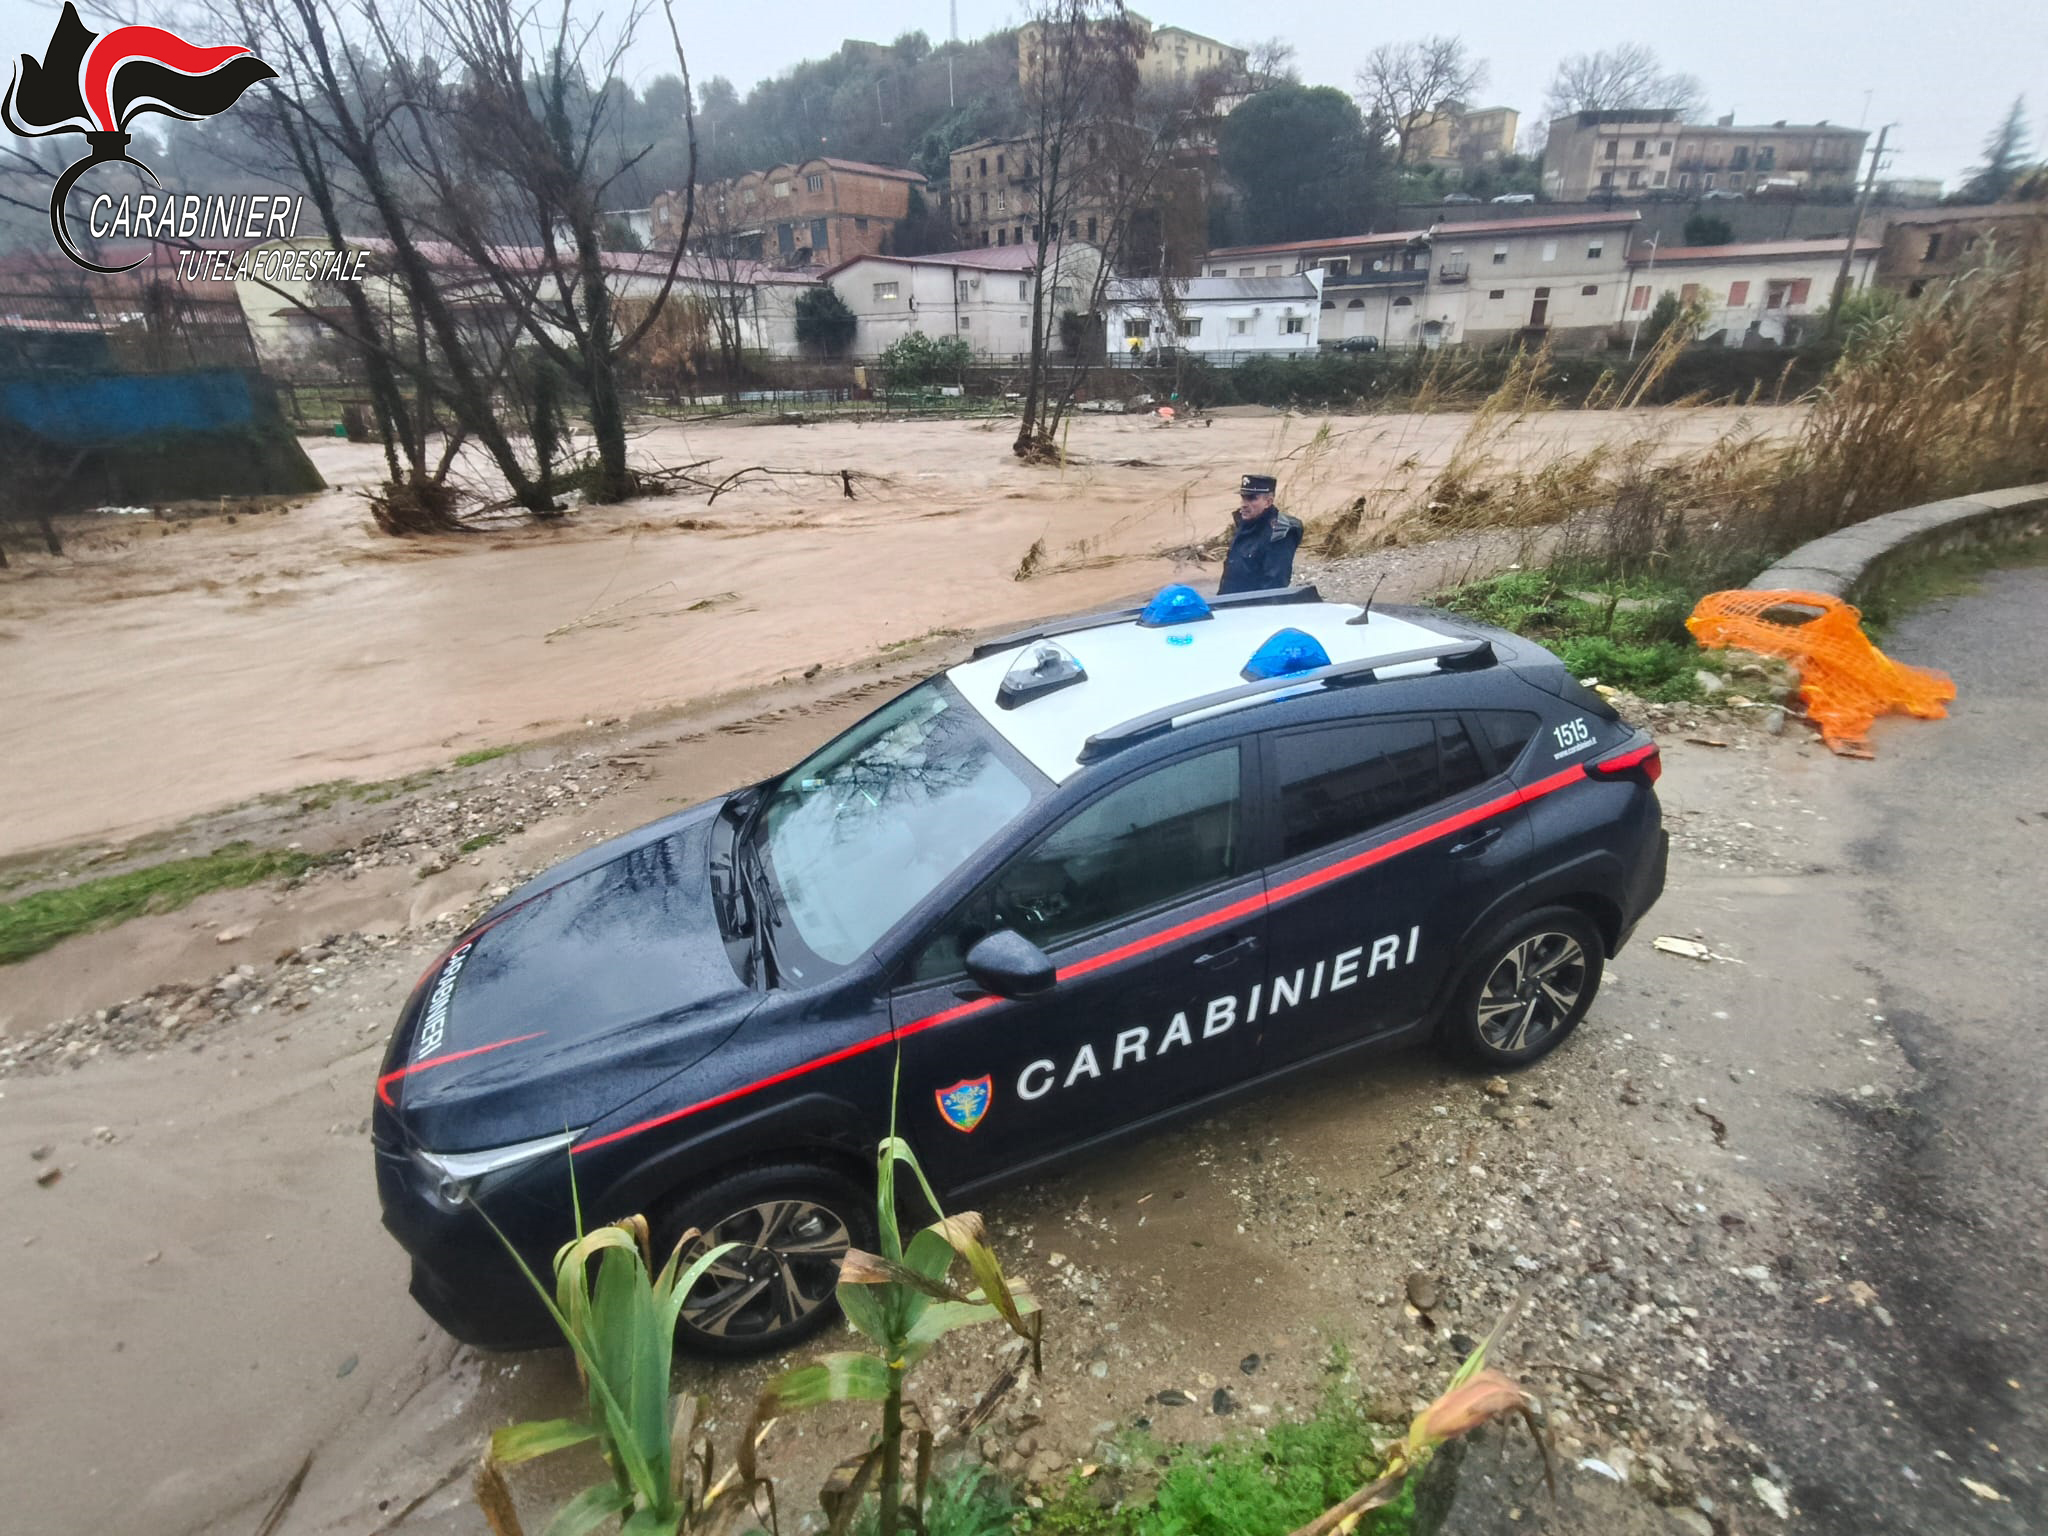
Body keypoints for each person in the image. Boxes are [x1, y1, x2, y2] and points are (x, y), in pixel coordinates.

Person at [1218, 473, 1302, 595]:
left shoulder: (1279, 533)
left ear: (1268, 502)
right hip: (1229, 604)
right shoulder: (1244, 524)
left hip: (1253, 608)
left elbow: (1275, 585)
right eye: (1243, 498)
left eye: (1252, 498)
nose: (1243, 504)